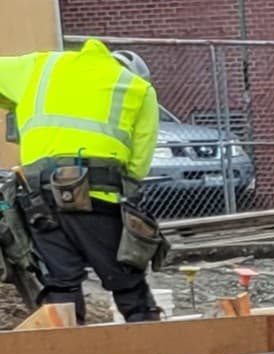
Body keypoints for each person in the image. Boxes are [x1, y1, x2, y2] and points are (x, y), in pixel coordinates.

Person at [0, 40, 163, 322]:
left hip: (39, 198)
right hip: (99, 196)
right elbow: (138, 163)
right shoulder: (139, 89)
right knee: (126, 282)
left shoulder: (42, 66)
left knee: (61, 284)